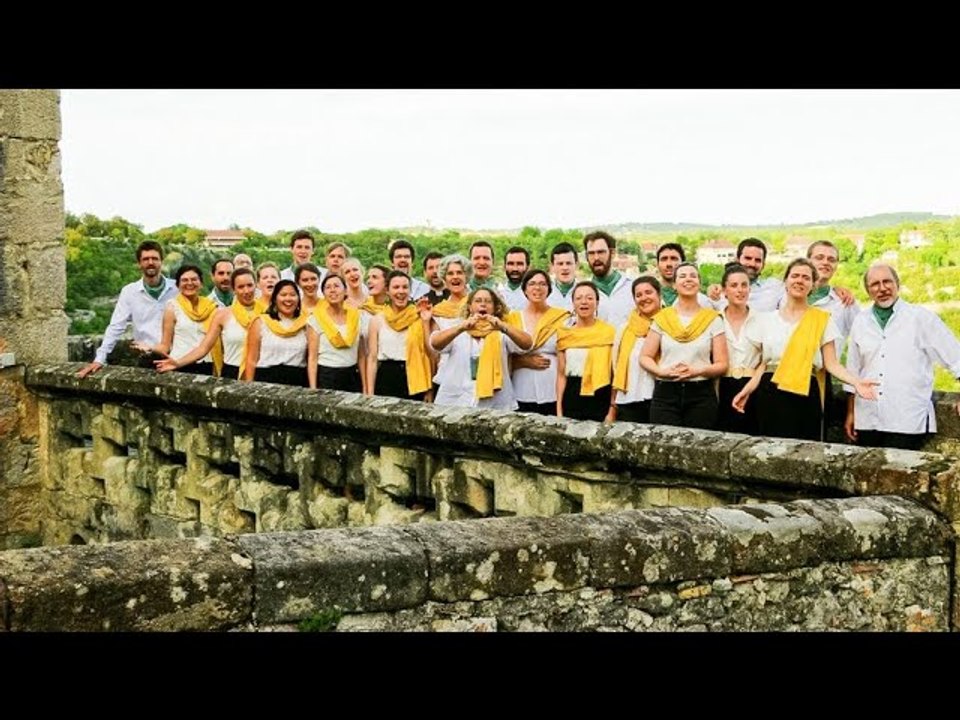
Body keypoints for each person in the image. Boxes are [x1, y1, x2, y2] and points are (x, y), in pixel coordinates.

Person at [732, 259, 877, 441]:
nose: (799, 281)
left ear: (813, 285)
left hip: (806, 392)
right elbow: (764, 365)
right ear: (785, 281)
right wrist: (747, 390)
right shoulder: (766, 320)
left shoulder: (821, 320)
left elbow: (831, 364)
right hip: (768, 393)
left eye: (806, 278)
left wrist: (856, 382)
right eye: (795, 276)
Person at [844, 263, 960, 450]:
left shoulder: (921, 318)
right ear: (868, 290)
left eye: (887, 281)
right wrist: (851, 413)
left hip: (907, 419)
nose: (882, 288)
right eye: (875, 284)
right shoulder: (860, 321)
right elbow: (853, 371)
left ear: (897, 284)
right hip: (867, 418)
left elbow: (954, 355)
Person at [640, 263, 728, 430]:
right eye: (682, 276)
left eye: (693, 276)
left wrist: (697, 370)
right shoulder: (662, 318)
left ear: (699, 283)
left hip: (700, 394)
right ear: (674, 284)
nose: (688, 279)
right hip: (666, 392)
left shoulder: (713, 319)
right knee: (664, 447)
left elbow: (722, 364)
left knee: (699, 449)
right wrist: (661, 371)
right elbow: (645, 357)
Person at [77, 240, 177, 378]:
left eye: (155, 258)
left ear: (161, 261)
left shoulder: (178, 288)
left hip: (177, 356)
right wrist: (99, 359)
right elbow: (116, 326)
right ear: (139, 263)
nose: (150, 262)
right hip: (147, 359)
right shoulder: (130, 292)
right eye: (146, 259)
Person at [429, 287, 532, 409]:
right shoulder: (458, 329)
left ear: (495, 308)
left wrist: (503, 326)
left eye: (488, 301)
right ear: (470, 307)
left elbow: (527, 344)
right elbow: (435, 343)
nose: (483, 304)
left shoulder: (502, 333)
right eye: (478, 301)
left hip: (494, 403)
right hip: (456, 401)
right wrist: (461, 328)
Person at [155, 267, 260, 380]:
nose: (246, 291)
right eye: (241, 287)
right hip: (232, 373)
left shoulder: (267, 313)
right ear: (233, 289)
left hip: (261, 371)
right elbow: (203, 348)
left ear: (256, 286)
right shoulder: (222, 315)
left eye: (250, 285)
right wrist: (177, 363)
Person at [365, 271, 433, 401]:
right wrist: (369, 393)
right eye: (396, 287)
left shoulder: (419, 317)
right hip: (386, 376)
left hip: (414, 377)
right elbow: (372, 358)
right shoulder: (377, 320)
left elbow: (429, 355)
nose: (401, 291)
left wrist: (429, 389)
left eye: (405, 287)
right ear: (387, 291)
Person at [512, 270, 571, 415]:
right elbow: (501, 357)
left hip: (552, 391)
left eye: (542, 284)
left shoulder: (562, 318)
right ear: (525, 289)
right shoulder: (511, 319)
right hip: (520, 390)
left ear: (549, 289)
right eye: (532, 284)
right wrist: (522, 362)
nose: (537, 288)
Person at [142, 264, 219, 376]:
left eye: (194, 279)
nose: (190, 283)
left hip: (207, 364)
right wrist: (149, 348)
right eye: (185, 280)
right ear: (178, 285)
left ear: (201, 283)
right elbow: (165, 345)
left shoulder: (212, 307)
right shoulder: (172, 307)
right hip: (179, 364)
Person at [556, 282, 616, 422]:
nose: (584, 302)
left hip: (601, 395)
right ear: (573, 303)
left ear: (597, 303)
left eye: (589, 298)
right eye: (579, 298)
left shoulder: (609, 333)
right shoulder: (564, 334)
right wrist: (559, 410)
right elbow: (561, 375)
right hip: (572, 396)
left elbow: (615, 375)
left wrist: (612, 409)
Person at [242, 279, 318, 386]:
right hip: (265, 381)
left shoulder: (306, 324)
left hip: (297, 381)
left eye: (292, 295)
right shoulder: (261, 322)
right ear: (274, 299)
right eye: (283, 294)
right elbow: (251, 359)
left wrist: (312, 388)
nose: (288, 299)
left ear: (298, 299)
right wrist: (249, 387)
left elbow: (311, 359)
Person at [716, 263, 760, 434]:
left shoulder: (762, 320)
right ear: (724, 290)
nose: (740, 290)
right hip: (722, 386)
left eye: (744, 285)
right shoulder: (714, 320)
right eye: (734, 285)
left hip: (753, 386)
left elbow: (766, 359)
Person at [610, 276, 661, 424]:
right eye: (638, 295)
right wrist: (612, 407)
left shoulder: (670, 325)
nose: (644, 298)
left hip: (660, 400)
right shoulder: (624, 329)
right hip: (628, 398)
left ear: (659, 294)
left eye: (648, 292)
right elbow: (616, 367)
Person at [308, 273, 368, 393]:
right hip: (327, 375)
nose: (332, 290)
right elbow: (312, 358)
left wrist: (365, 386)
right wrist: (313, 388)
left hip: (352, 375)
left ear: (345, 291)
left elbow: (361, 355)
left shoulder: (357, 316)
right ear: (324, 294)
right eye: (328, 287)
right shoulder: (316, 319)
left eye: (336, 286)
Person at [584, 231, 634, 327]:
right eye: (591, 253)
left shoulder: (632, 287)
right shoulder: (582, 292)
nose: (596, 258)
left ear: (612, 253)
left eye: (601, 252)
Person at [654, 243, 716, 309]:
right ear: (657, 265)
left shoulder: (701, 299)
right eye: (664, 259)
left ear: (683, 264)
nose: (669, 264)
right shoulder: (649, 293)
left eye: (674, 259)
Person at [546, 242, 579, 311]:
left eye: (569, 263)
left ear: (576, 265)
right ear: (552, 266)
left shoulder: (584, 291)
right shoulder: (544, 293)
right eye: (560, 264)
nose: (565, 268)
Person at [496, 246, 530, 311]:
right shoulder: (497, 293)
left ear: (527, 267)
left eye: (519, 264)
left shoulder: (535, 294)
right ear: (504, 266)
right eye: (510, 264)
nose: (515, 268)